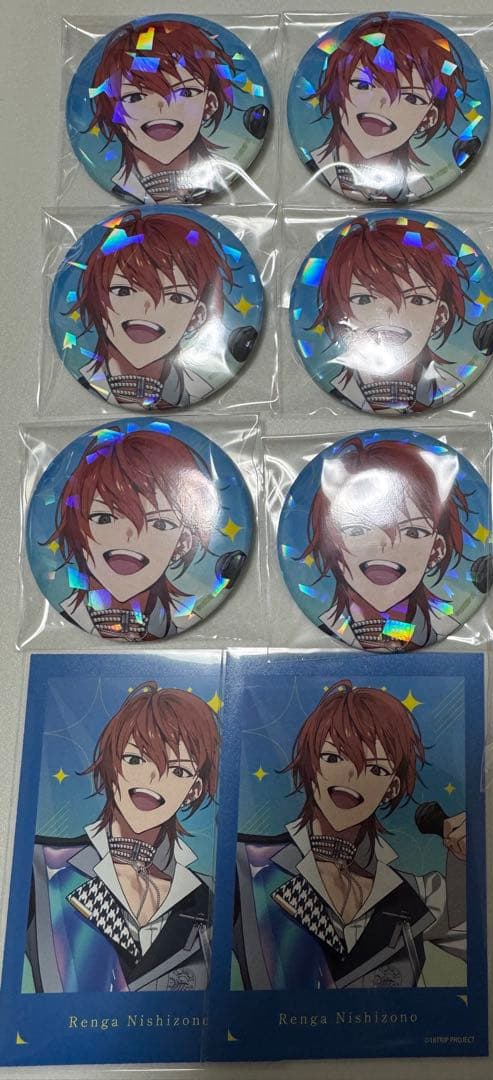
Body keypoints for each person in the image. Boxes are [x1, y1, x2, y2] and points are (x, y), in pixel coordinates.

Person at [233, 680, 467, 990]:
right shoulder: (247, 865)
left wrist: (465, 857)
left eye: (375, 769)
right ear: (310, 763)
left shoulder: (415, 894)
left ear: (391, 789)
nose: (350, 776)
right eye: (333, 758)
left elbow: (478, 944)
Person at [25, 682, 219, 993]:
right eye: (135, 759)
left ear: (193, 790)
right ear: (111, 762)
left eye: (178, 771)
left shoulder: (207, 896)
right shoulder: (42, 867)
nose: (151, 779)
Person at [47, 426, 234, 641]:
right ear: (77, 529)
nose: (129, 535)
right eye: (104, 518)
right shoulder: (62, 622)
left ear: (183, 544)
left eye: (160, 523)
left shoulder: (185, 617)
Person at [300, 436, 469, 651]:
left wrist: (393, 634)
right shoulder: (320, 628)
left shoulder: (442, 626)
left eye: (413, 532)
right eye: (357, 530)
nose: (383, 545)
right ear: (331, 542)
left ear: (436, 550)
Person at [314, 216, 493, 413]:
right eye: (364, 299)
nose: (390, 314)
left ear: (440, 315)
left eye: (417, 299)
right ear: (340, 312)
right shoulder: (334, 390)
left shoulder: (451, 387)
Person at [87, 18, 268, 203]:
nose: (161, 105)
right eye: (135, 97)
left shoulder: (222, 171)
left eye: (186, 92)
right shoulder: (114, 182)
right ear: (114, 111)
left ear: (209, 104)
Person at [70, 210, 235, 409]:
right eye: (123, 290)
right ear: (97, 299)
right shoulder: (78, 384)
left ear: (198, 316)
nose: (146, 308)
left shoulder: (201, 389)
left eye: (176, 297)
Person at [307, 14, 475, 202]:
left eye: (412, 97)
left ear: (428, 118)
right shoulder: (313, 166)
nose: (383, 103)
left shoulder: (421, 187)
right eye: (363, 85)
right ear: (337, 89)